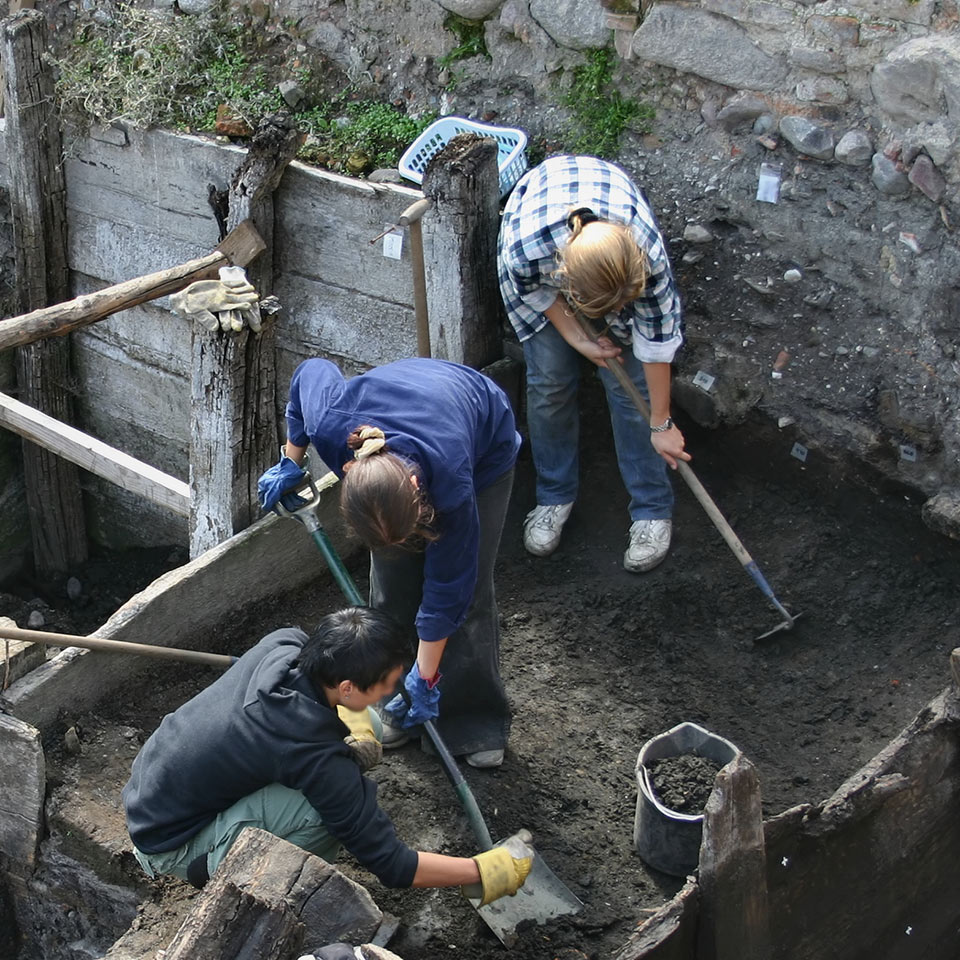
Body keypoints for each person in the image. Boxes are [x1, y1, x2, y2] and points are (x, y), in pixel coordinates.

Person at [122, 606, 531, 903]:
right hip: (169, 842)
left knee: (365, 721)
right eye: (388, 683)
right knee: (322, 815)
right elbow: (391, 863)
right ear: (348, 685)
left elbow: (335, 718)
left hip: (151, 788)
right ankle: (229, 873)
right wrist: (482, 871)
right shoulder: (311, 755)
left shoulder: (284, 643)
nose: (394, 690)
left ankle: (229, 836)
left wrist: (350, 736)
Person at [257, 357, 521, 769]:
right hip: (402, 427)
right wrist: (292, 461)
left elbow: (449, 587)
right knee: (393, 588)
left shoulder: (451, 479)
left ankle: (471, 724)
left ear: (417, 490)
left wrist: (427, 675)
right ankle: (396, 700)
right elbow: (310, 372)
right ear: (349, 475)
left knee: (466, 603)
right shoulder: (332, 427)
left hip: (482, 437)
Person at [498, 154, 692, 572]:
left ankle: (652, 509)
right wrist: (576, 337)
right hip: (544, 257)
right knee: (550, 379)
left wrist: (662, 423)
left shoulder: (647, 258)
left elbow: (655, 342)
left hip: (606, 232)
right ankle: (554, 496)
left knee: (631, 389)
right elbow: (533, 290)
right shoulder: (528, 250)